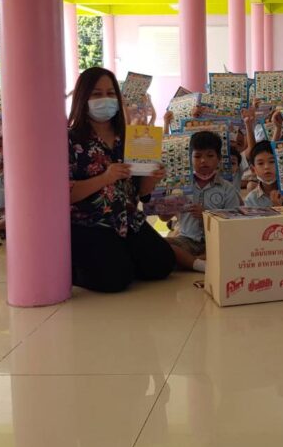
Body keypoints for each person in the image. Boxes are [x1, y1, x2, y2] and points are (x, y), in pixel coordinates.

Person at [68, 67, 175, 292]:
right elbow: (66, 194)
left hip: (127, 218)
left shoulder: (129, 137)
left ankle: (119, 257)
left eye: (110, 93)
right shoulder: (70, 139)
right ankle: (73, 269)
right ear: (82, 98)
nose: (105, 100)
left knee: (162, 265)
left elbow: (140, 193)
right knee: (115, 279)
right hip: (89, 223)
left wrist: (153, 176)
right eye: (96, 94)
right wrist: (105, 178)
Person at [163, 130, 242, 272]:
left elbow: (234, 223)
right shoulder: (180, 186)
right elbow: (164, 218)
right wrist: (168, 205)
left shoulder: (227, 189)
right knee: (158, 245)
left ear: (219, 158)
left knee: (236, 247)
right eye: (197, 156)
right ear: (190, 158)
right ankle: (200, 262)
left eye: (210, 155)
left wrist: (207, 215)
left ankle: (188, 261)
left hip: (216, 241)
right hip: (186, 240)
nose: (203, 160)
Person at [244, 140, 282, 208]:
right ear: (253, 169)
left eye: (272, 161)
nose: (266, 167)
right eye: (260, 163)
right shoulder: (251, 200)